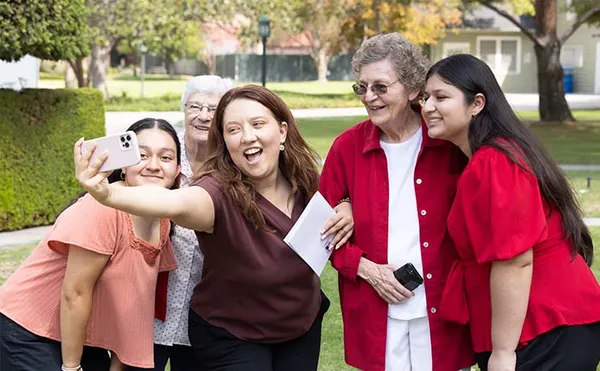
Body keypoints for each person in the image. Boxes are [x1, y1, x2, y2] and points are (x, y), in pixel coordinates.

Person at [74, 85, 354, 371]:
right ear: (224, 141)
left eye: (257, 124)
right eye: (233, 129)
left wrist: (345, 203)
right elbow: (173, 201)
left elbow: (346, 195)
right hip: (234, 334)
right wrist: (107, 195)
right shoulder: (214, 192)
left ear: (282, 131)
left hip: (300, 326)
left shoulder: (304, 178)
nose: (247, 136)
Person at [422, 53, 600, 371]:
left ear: (477, 103)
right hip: (542, 329)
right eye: (425, 97)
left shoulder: (495, 162)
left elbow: (515, 259)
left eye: (441, 97)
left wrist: (503, 353)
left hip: (544, 330)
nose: (427, 107)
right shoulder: (491, 155)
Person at [319, 33, 474, 371]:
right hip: (375, 312)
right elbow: (320, 233)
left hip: (443, 311)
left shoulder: (448, 141)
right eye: (362, 87)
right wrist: (366, 269)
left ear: (413, 89)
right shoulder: (346, 148)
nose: (369, 97)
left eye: (380, 87)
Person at [0, 118, 181, 370]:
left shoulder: (162, 219)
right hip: (28, 329)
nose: (153, 166)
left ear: (178, 169)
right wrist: (71, 368)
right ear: (124, 165)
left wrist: (118, 366)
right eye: (141, 155)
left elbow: (136, 302)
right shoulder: (103, 207)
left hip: (77, 334)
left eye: (165, 157)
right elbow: (75, 292)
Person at [147, 75, 234, 371]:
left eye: (213, 108)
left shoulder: (232, 165)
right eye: (195, 106)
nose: (203, 116)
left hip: (204, 315)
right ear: (184, 109)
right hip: (149, 309)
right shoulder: (161, 157)